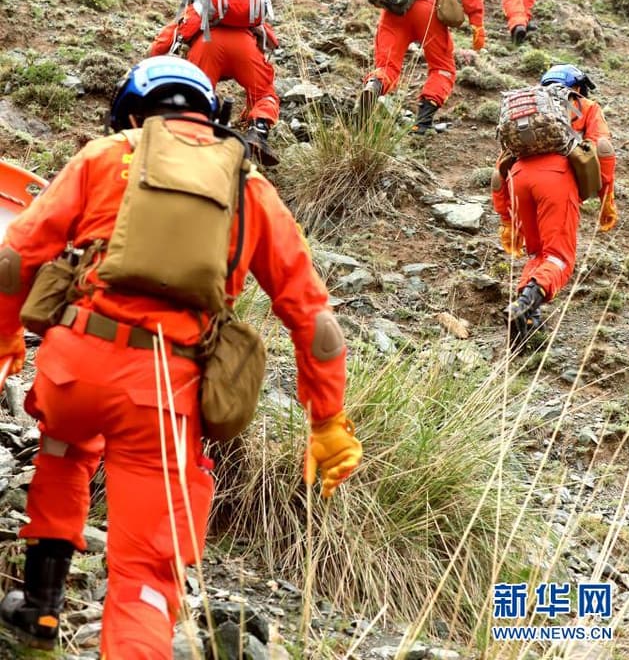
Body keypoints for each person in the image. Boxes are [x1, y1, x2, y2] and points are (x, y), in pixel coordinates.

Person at [0, 57, 362, 659]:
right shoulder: (249, 186)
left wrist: (6, 335)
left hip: (74, 367)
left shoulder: (105, 155)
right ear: (210, 114)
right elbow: (316, 323)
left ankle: (41, 603)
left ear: (133, 113)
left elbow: (15, 260)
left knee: (65, 447)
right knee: (146, 567)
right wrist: (326, 420)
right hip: (164, 388)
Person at [492, 64, 617, 346]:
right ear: (578, 86)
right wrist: (606, 198)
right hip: (556, 180)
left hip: (518, 180)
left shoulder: (526, 110)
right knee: (560, 257)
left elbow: (497, 173)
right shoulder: (583, 105)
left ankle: (528, 318)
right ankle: (526, 303)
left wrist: (505, 219)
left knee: (538, 253)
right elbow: (604, 149)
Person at [357, 0, 486, 134]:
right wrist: (477, 23)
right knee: (442, 66)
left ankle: (375, 85)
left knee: (387, 65)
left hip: (395, 7)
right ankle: (422, 123)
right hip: (427, 7)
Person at [150, 0, 281, 167]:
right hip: (245, 49)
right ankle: (258, 130)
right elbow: (268, 39)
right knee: (264, 94)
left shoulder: (200, 7)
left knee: (196, 94)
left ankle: (196, 133)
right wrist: (248, 114)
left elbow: (166, 39)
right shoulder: (247, 11)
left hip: (207, 47)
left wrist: (149, 63)